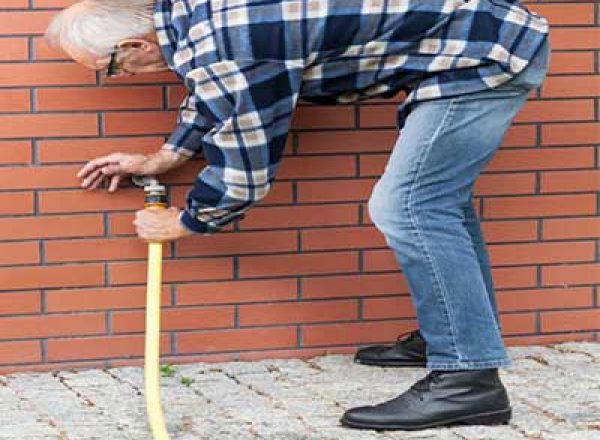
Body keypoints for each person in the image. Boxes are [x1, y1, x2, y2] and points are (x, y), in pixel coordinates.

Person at [46, 0, 550, 431]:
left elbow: (247, 166)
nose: (119, 76)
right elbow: (215, 94)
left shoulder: (225, 41)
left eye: (109, 69)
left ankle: (468, 377)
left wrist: (185, 222)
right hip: (482, 42)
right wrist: (165, 157)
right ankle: (454, 337)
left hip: (483, 56)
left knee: (409, 205)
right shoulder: (197, 18)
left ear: (135, 47)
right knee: (436, 204)